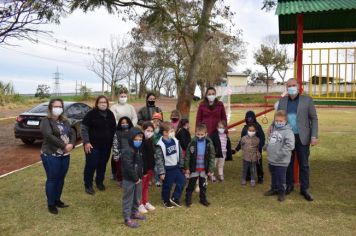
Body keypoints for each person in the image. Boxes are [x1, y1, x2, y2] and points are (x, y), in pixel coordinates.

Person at [277, 78, 318, 201]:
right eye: (289, 86)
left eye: (293, 85)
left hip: (302, 137)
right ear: (286, 87)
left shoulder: (307, 100)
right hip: (287, 137)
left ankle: (304, 189)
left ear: (298, 86)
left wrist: (314, 136)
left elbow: (314, 119)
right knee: (288, 163)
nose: (291, 87)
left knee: (304, 164)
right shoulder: (283, 101)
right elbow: (278, 118)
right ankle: (289, 186)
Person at [40, 98, 76, 214]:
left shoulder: (65, 121)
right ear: (50, 108)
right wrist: (63, 145)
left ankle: (57, 200)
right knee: (53, 178)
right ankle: (51, 203)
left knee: (61, 178)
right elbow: (49, 136)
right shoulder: (46, 121)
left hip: (65, 154)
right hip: (51, 154)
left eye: (60, 106)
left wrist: (71, 144)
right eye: (55, 106)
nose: (58, 108)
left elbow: (72, 133)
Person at [81, 95, 116, 195]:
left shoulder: (110, 114)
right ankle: (88, 185)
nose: (103, 104)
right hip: (92, 146)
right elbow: (84, 129)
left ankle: (99, 182)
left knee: (102, 165)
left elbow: (113, 129)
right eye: (101, 102)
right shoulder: (91, 114)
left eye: (105, 102)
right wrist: (86, 142)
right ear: (97, 103)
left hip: (106, 146)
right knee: (91, 165)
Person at [264, 110, 295, 202]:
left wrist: (280, 155)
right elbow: (270, 139)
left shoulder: (288, 132)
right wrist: (266, 146)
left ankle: (282, 193)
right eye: (277, 121)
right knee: (273, 175)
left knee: (281, 178)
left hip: (281, 161)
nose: (278, 122)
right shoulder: (273, 129)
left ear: (285, 121)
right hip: (272, 159)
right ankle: (274, 189)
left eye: (281, 121)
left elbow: (290, 146)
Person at [155, 122, 186, 208]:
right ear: (165, 133)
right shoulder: (160, 145)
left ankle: (175, 197)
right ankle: (166, 200)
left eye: (173, 131)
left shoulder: (175, 141)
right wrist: (161, 172)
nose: (173, 133)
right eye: (171, 131)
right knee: (167, 186)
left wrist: (181, 165)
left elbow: (180, 154)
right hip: (167, 169)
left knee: (182, 181)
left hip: (176, 167)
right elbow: (159, 160)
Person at [184, 124, 215, 207]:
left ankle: (203, 199)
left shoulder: (209, 143)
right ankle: (188, 199)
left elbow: (212, 157)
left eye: (202, 134)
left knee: (203, 186)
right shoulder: (192, 143)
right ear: (195, 133)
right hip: (194, 168)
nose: (200, 136)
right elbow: (187, 156)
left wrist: (210, 169)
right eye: (198, 134)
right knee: (191, 185)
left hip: (204, 169)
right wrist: (187, 168)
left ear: (206, 134)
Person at [110, 90, 138, 180]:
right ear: (118, 97)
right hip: (118, 130)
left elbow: (134, 117)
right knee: (116, 151)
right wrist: (121, 126)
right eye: (121, 96)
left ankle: (128, 170)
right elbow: (113, 118)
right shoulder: (114, 107)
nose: (123, 98)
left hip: (129, 130)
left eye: (124, 96)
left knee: (128, 150)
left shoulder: (130, 107)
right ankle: (114, 172)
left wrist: (130, 126)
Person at [121, 128, 146, 228]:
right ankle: (127, 218)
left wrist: (140, 175)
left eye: (140, 140)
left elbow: (139, 164)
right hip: (130, 179)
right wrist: (136, 178)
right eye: (136, 139)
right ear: (131, 139)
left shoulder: (137, 150)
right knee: (128, 198)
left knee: (137, 197)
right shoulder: (127, 151)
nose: (138, 141)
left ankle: (134, 212)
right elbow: (128, 167)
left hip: (138, 178)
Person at [236, 111, 266, 183]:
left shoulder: (258, 127)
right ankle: (248, 175)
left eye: (251, 118)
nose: (249, 120)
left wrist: (259, 147)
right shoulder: (245, 128)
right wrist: (237, 149)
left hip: (256, 150)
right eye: (248, 118)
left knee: (258, 163)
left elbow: (262, 138)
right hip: (247, 151)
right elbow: (242, 140)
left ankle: (260, 176)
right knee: (247, 163)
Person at [138, 122, 156, 214]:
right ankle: (139, 204)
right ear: (143, 130)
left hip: (150, 168)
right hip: (143, 169)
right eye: (147, 130)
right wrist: (143, 170)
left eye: (151, 131)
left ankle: (146, 202)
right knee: (140, 187)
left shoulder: (150, 141)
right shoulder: (140, 141)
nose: (149, 132)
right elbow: (141, 157)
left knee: (145, 187)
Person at [112, 117, 134, 187]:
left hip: (131, 154)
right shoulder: (117, 133)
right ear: (120, 124)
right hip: (121, 154)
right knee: (120, 168)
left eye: (126, 122)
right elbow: (115, 144)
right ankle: (120, 180)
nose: (125, 124)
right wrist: (116, 155)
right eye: (123, 123)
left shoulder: (133, 131)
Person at [151, 112, 163, 187]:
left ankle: (158, 179)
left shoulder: (161, 130)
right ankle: (155, 179)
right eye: (154, 121)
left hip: (159, 150)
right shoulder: (150, 130)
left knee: (158, 165)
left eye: (158, 121)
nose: (156, 123)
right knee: (154, 166)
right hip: (152, 150)